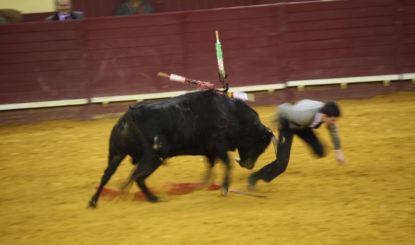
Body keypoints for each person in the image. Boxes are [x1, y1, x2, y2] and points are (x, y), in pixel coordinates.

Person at [248, 99, 346, 188]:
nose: (334, 122)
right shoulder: (301, 115)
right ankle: (254, 177)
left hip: (303, 127)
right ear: (325, 116)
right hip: (287, 126)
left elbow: (333, 130)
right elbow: (282, 108)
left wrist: (338, 151)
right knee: (281, 164)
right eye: (333, 120)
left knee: (320, 151)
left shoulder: (326, 111)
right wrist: (275, 121)